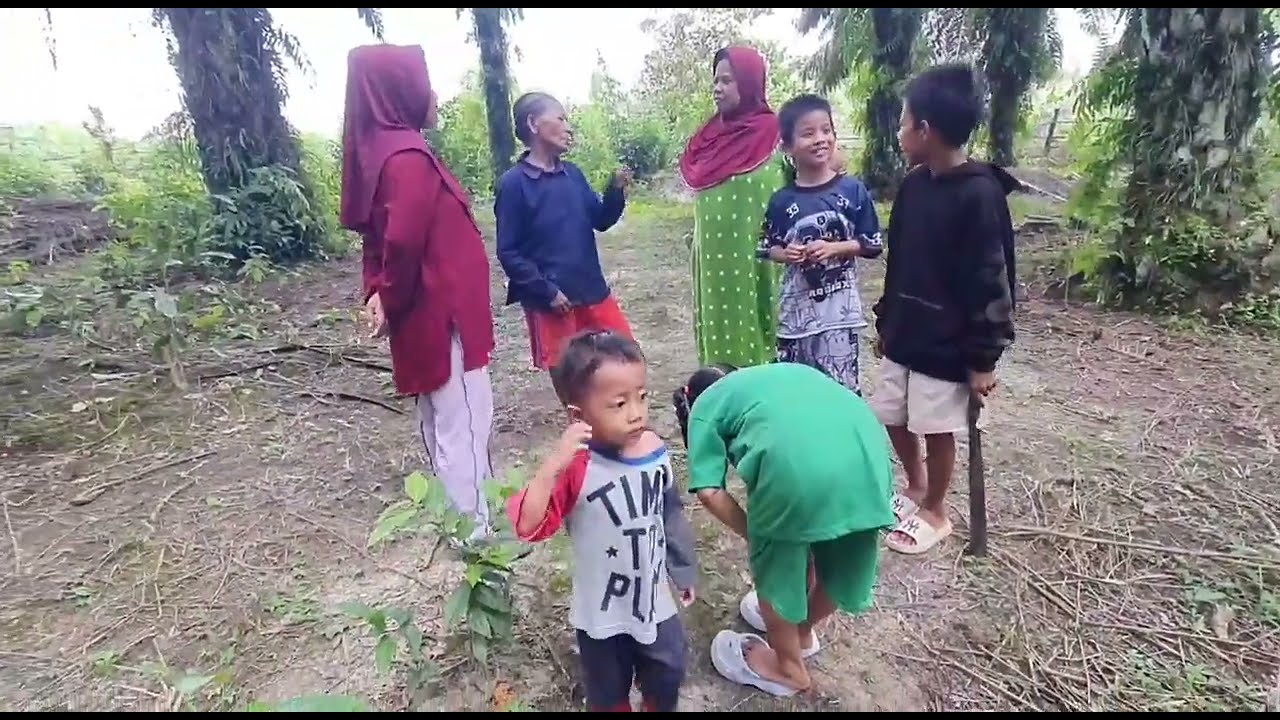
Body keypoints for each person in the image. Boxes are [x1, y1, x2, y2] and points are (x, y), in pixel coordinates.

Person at [339, 44, 497, 537]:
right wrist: (386, 291)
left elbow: (377, 237)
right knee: (464, 422)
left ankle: (468, 520)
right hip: (441, 311)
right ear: (398, 91)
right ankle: (475, 536)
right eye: (424, 82)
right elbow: (402, 240)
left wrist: (378, 291)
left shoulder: (382, 154)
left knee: (441, 420)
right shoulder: (407, 158)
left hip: (421, 311)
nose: (434, 94)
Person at [867, 63, 1018, 556]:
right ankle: (914, 486)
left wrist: (982, 360)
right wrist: (887, 320)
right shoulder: (914, 186)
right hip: (907, 333)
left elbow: (992, 280)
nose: (899, 129)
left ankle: (936, 510)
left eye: (904, 120)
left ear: (924, 130)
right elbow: (901, 261)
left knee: (935, 428)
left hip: (947, 343)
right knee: (890, 413)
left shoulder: (980, 195)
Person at [673, 361, 896, 697]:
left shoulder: (705, 405)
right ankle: (802, 633)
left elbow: (709, 491)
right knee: (843, 556)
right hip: (869, 454)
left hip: (794, 474)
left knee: (776, 570)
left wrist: (755, 533)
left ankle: (788, 669)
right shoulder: (781, 374)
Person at [506, 331, 699, 712]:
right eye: (619, 403)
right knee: (608, 691)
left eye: (641, 396)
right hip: (602, 611)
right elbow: (528, 525)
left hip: (652, 598)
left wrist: (683, 567)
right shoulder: (577, 468)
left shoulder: (655, 450)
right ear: (578, 416)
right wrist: (551, 467)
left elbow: (669, 512)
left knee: (668, 670)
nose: (636, 412)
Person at [494, 91, 636, 373]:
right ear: (534, 124)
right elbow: (508, 251)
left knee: (626, 356)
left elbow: (601, 219)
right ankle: (581, 419)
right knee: (570, 375)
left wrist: (615, 190)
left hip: (592, 290)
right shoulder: (513, 184)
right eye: (561, 118)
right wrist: (547, 291)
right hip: (553, 302)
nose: (569, 127)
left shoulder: (572, 174)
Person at [758, 94, 883, 395]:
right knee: (797, 394)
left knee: (840, 393)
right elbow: (766, 247)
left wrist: (835, 248)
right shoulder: (781, 201)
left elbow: (872, 243)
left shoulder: (852, 191)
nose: (820, 139)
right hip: (795, 318)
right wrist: (785, 254)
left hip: (838, 317)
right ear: (788, 147)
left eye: (826, 130)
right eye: (808, 133)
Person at [679, 45, 785, 369]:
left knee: (764, 339)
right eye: (715, 80)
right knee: (720, 351)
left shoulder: (777, 135)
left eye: (727, 80)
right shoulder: (708, 139)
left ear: (750, 82)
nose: (717, 88)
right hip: (714, 262)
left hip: (763, 262)